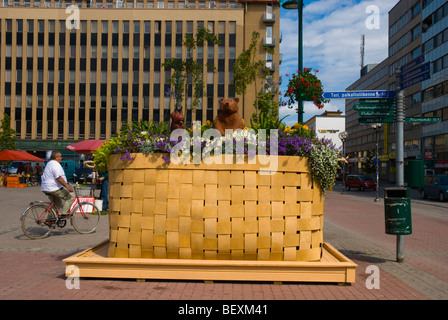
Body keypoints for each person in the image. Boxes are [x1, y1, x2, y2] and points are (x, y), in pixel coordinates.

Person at [41, 151, 75, 216]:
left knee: (57, 203)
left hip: (46, 187)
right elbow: (58, 178)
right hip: (53, 188)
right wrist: (67, 186)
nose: (61, 158)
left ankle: (51, 220)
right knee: (71, 196)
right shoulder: (55, 164)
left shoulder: (49, 163)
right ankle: (65, 213)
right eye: (61, 156)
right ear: (56, 157)